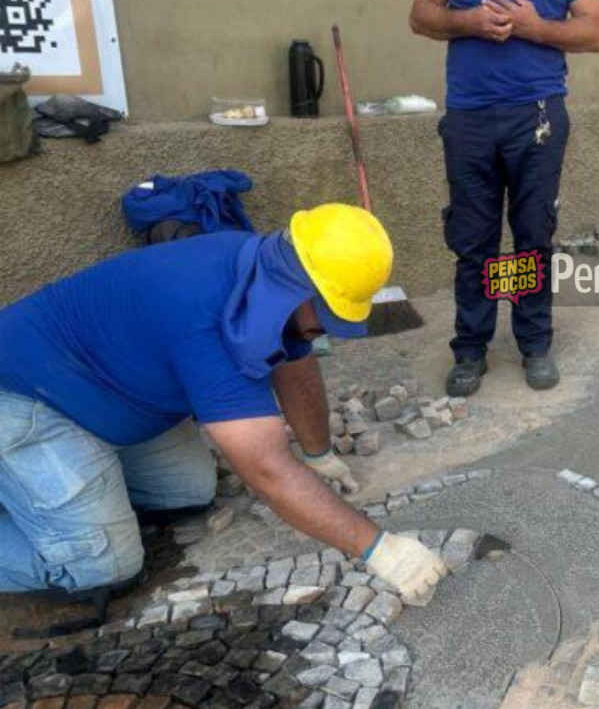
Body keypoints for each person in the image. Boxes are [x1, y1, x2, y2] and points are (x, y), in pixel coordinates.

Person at [0, 204, 447, 603]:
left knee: (191, 491)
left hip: (103, 395)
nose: (326, 331)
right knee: (103, 568)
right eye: (326, 316)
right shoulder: (204, 321)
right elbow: (266, 468)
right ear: (300, 290)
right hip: (27, 400)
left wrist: (319, 453)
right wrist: (381, 551)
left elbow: (294, 358)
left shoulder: (263, 273)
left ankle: (52, 495)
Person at [408, 0, 599, 398]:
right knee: (473, 240)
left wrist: (532, 26)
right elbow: (421, 14)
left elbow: (594, 32)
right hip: (470, 115)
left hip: (536, 115)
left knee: (530, 236)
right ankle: (471, 348)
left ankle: (533, 343)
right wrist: (469, 21)